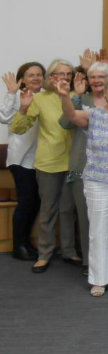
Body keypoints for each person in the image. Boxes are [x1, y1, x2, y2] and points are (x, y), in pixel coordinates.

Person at [57, 73, 108, 297]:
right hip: (97, 182)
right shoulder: (94, 115)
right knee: (99, 233)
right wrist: (66, 96)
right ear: (105, 91)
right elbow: (71, 115)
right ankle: (99, 278)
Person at [10, 59, 76, 273]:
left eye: (68, 74)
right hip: (48, 162)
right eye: (60, 74)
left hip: (73, 161)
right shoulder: (39, 98)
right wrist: (23, 107)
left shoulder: (76, 97)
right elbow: (19, 128)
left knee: (68, 210)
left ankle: (68, 251)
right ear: (51, 76)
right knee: (48, 210)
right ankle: (44, 254)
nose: (65, 78)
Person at [59, 61, 108, 276]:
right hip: (83, 166)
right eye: (94, 77)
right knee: (86, 217)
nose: (98, 81)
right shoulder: (82, 99)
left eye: (102, 77)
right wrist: (76, 97)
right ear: (88, 80)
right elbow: (65, 123)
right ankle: (90, 263)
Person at [0, 62, 45, 260]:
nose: (35, 78)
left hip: (41, 160)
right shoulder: (17, 96)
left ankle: (26, 242)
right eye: (30, 75)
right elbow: (3, 117)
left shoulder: (47, 97)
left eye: (39, 74)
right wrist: (11, 93)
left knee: (36, 202)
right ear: (22, 79)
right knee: (26, 203)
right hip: (20, 160)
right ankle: (19, 246)